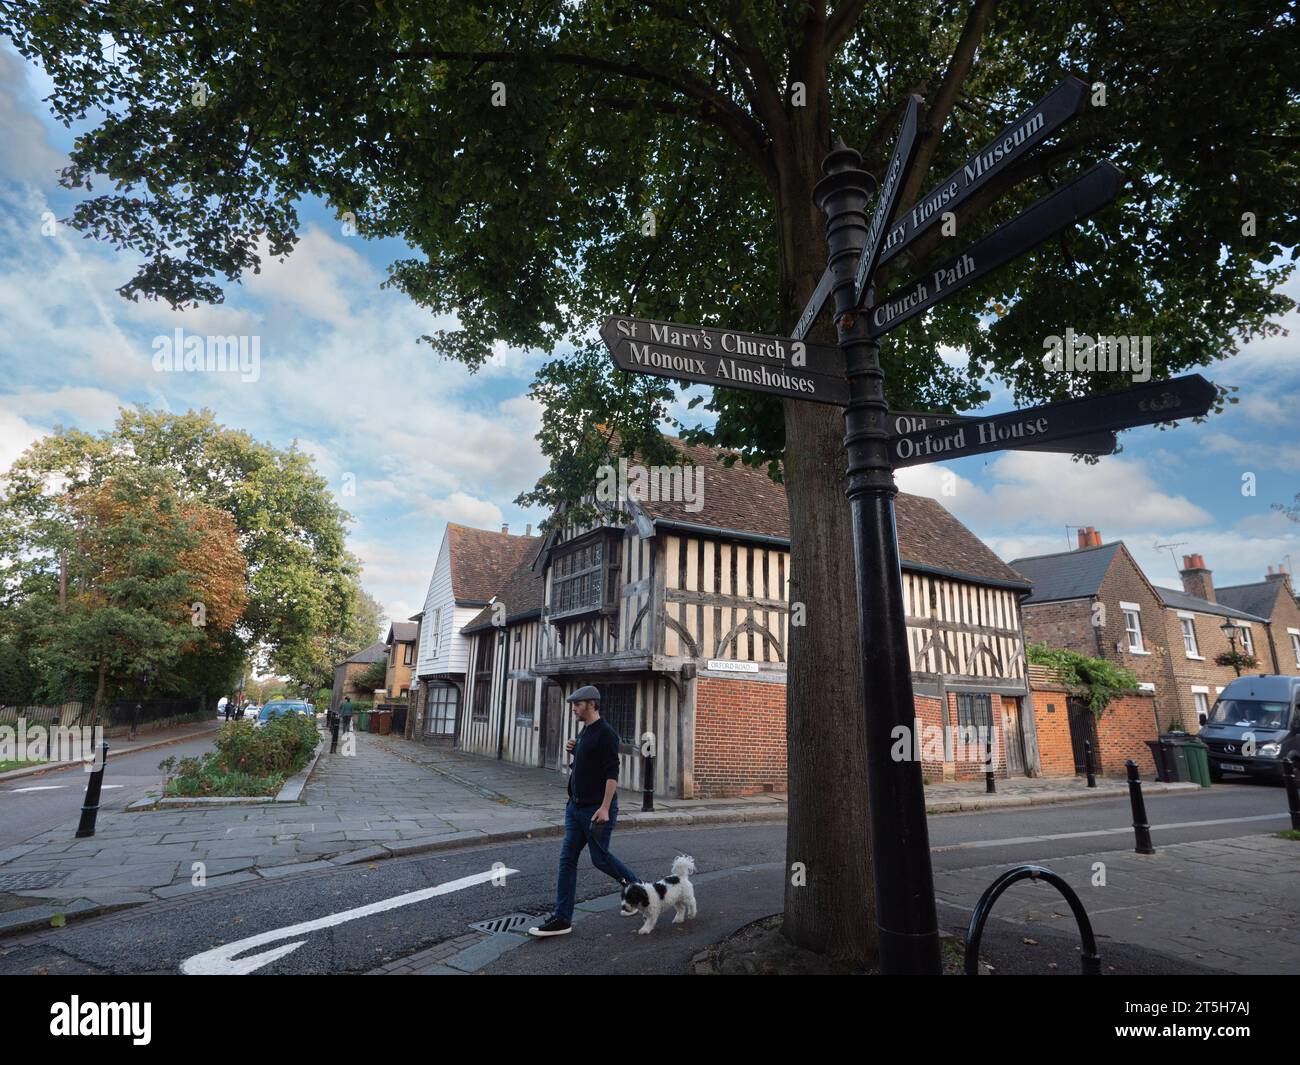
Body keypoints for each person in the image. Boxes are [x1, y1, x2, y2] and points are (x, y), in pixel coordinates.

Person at [529, 685, 640, 937]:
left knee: (600, 859)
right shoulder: (584, 732)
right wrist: (574, 750)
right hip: (575, 807)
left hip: (595, 810)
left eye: (576, 705)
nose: (573, 709)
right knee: (567, 860)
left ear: (590, 703)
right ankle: (562, 919)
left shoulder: (606, 734)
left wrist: (604, 808)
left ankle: (639, 889)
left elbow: (612, 774)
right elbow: (585, 767)